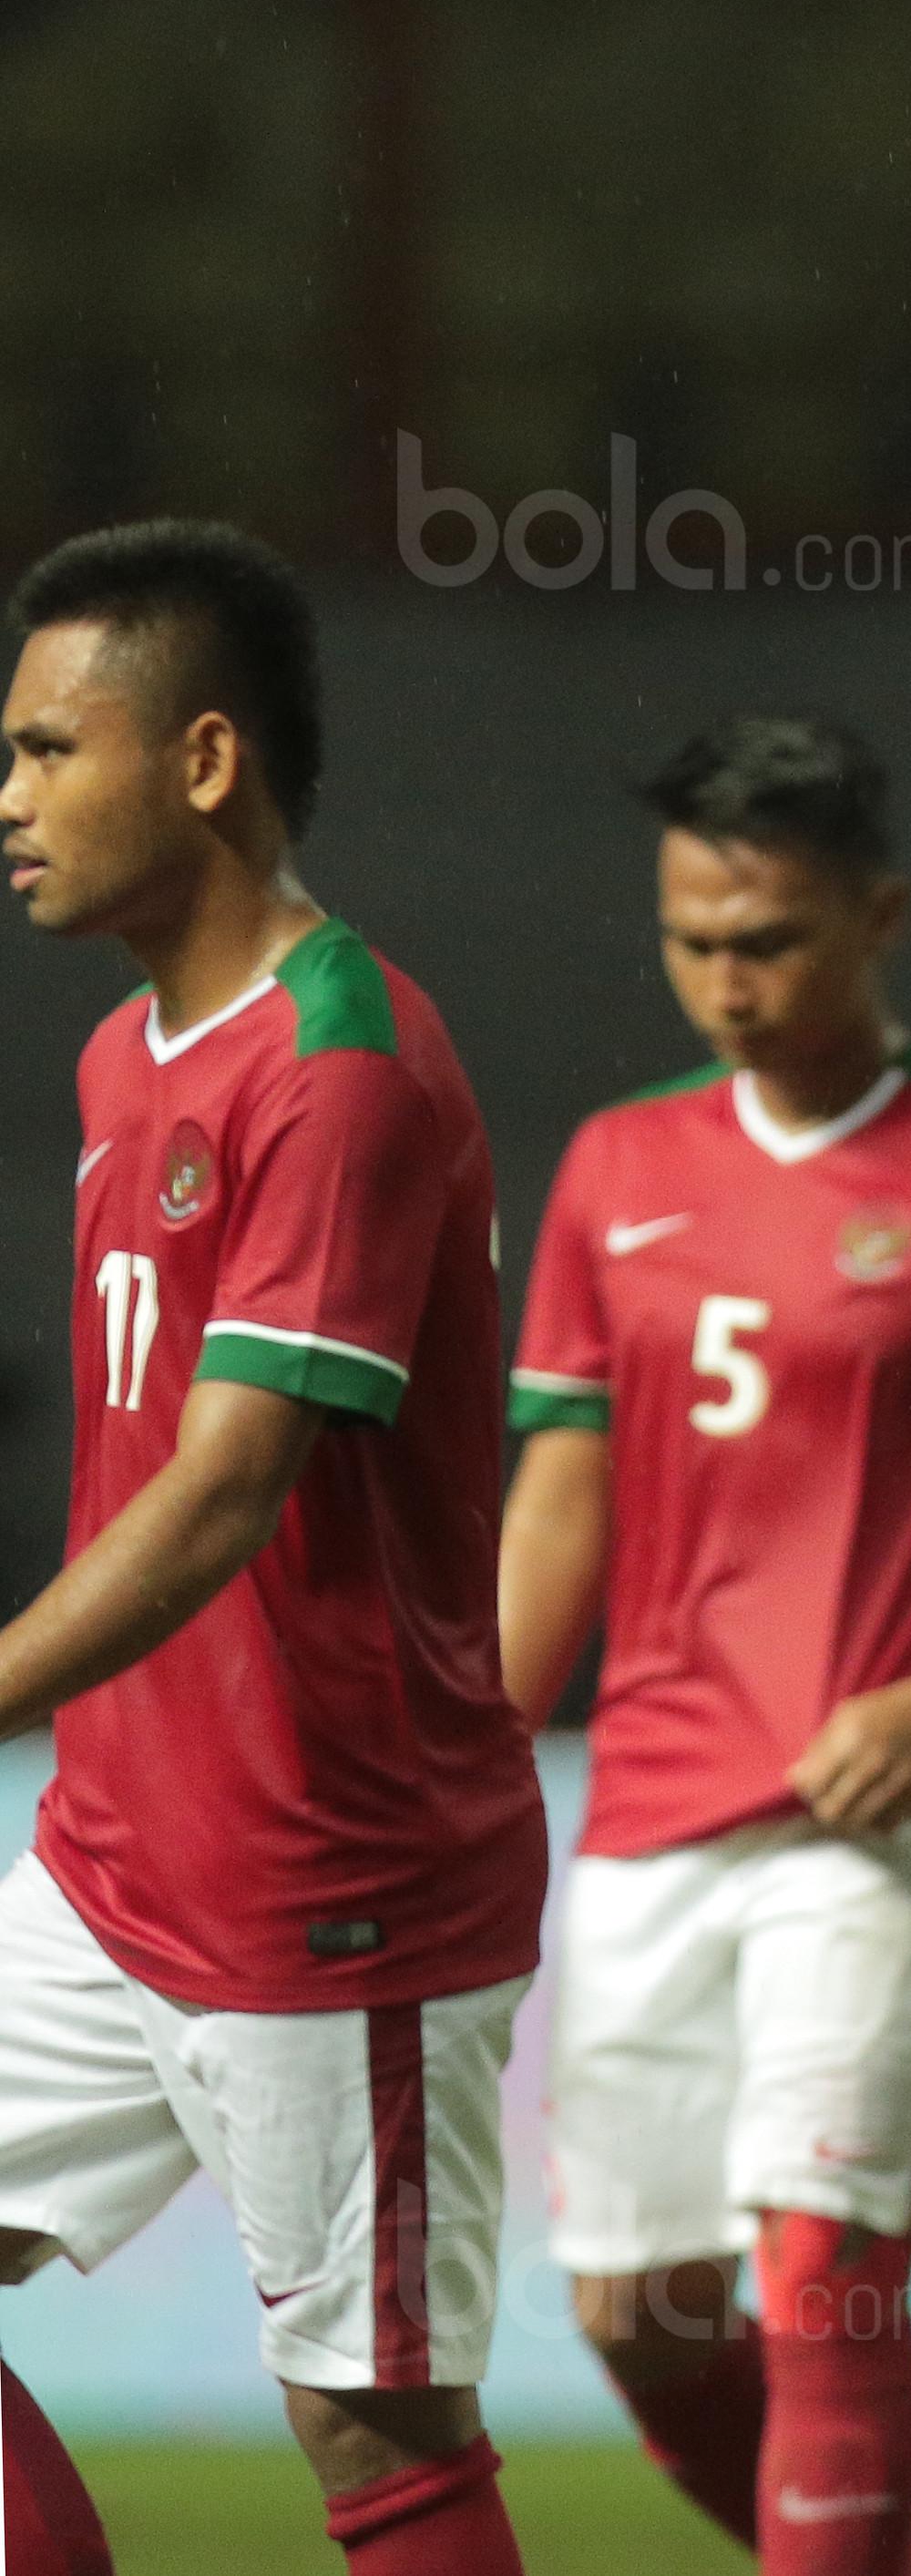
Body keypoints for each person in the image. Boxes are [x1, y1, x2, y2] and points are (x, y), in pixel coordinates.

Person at [498, 713, 911, 2574]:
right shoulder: (614, 1165)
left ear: (879, 915)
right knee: (635, 2306)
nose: (726, 979)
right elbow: (561, 1496)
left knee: (824, 2273)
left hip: (882, 1817)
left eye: (771, 939)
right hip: (646, 1808)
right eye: (692, 939)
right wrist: (475, 1740)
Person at [0, 521, 548, 2576]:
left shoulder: (341, 1062)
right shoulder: (121, 1058)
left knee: (375, 2427)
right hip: (120, 1849)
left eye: (53, 747)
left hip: (336, 1877)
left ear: (205, 759)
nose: (11, 798)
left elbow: (228, 1486)